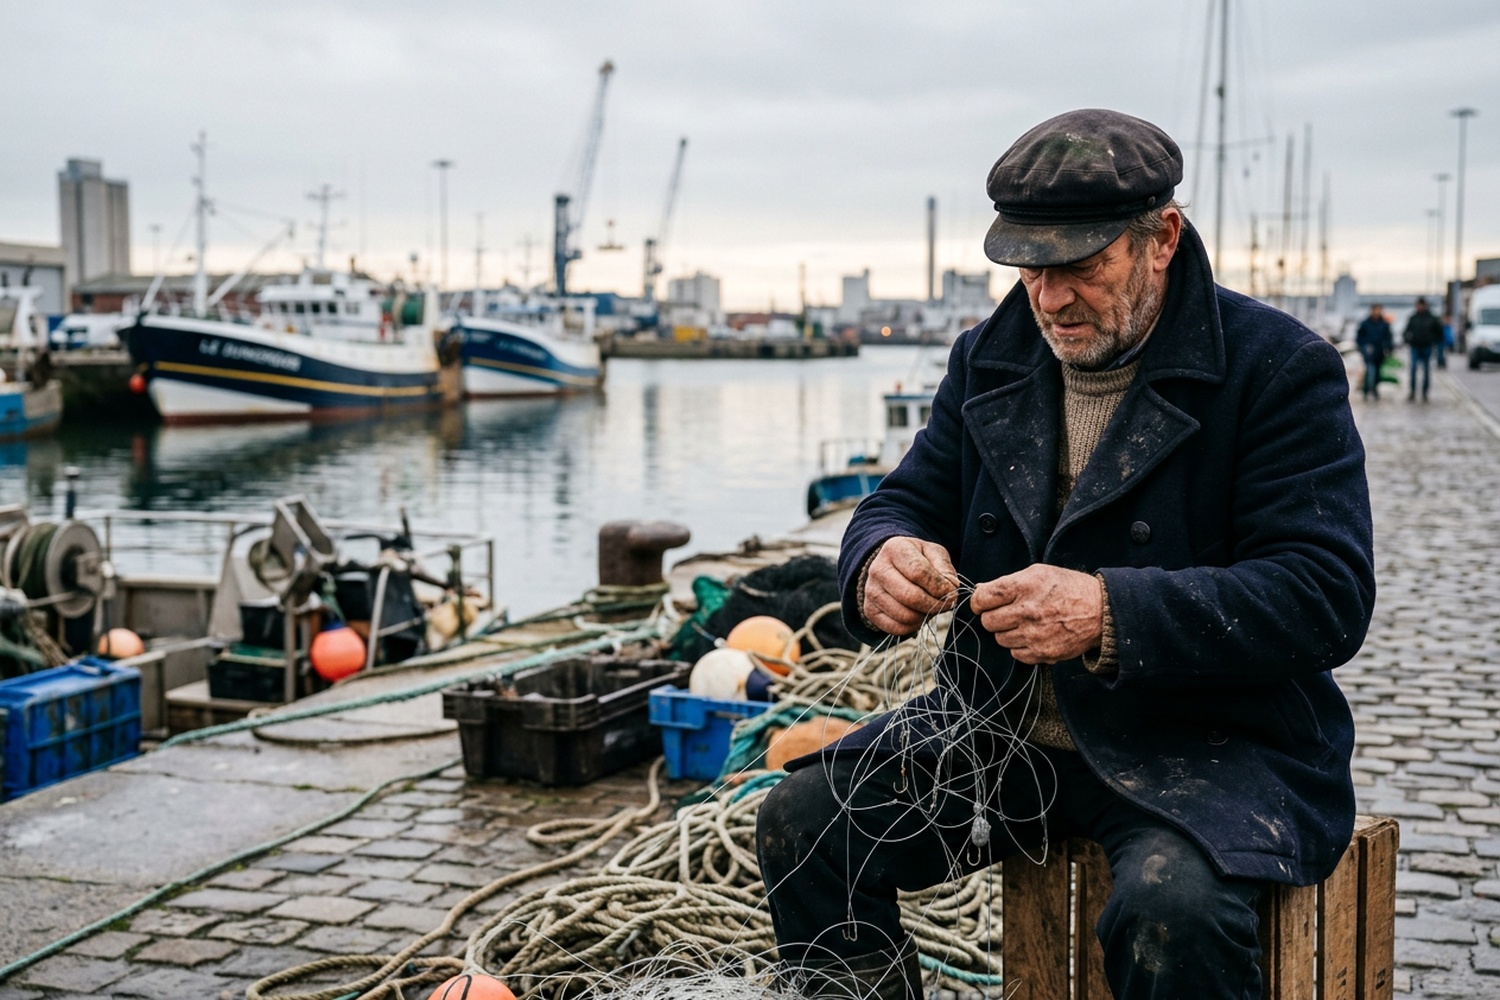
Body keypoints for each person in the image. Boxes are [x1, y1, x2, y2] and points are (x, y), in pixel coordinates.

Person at [756, 108, 1375, 1000]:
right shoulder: (987, 359)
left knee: (1173, 913)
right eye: (1029, 269)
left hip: (1201, 748)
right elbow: (900, 500)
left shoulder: (1278, 368)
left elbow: (1325, 594)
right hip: (997, 735)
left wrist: (1108, 611)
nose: (1047, 298)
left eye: (1080, 267)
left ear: (1161, 238)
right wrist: (879, 557)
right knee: (803, 818)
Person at [1403, 297, 1444, 401]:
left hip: (1427, 347)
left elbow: (1439, 332)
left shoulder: (1432, 318)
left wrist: (1433, 341)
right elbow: (1406, 331)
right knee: (1413, 369)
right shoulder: (1413, 318)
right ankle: (1412, 392)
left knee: (1426, 370)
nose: (1420, 307)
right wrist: (1408, 340)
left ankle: (1424, 393)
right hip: (1415, 347)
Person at [1355, 303, 1394, 400]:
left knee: (1376, 372)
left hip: (1380, 352)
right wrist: (1362, 347)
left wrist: (1388, 349)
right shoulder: (1365, 323)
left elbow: (1388, 338)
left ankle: (1374, 389)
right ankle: (1368, 390)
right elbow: (1359, 337)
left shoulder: (1384, 324)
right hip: (1368, 351)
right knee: (1370, 370)